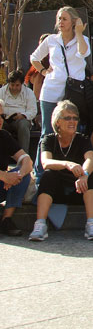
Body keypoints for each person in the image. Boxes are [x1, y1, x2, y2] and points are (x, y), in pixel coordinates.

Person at [28, 100, 93, 242]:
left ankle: (92, 224)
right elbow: (45, 162)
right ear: (57, 122)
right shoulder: (49, 139)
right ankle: (40, 225)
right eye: (67, 118)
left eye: (75, 118)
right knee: (48, 175)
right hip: (56, 190)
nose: (72, 121)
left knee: (91, 175)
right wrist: (67, 164)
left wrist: (84, 175)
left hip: (78, 189)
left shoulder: (82, 139)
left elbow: (91, 159)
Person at [30, 7, 90, 183]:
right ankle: (40, 173)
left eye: (64, 19)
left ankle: (73, 174)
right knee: (47, 132)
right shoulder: (51, 40)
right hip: (51, 91)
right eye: (59, 19)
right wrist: (43, 70)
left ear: (74, 21)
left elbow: (83, 53)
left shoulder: (83, 39)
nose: (60, 22)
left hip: (73, 92)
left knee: (73, 132)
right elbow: (34, 57)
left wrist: (79, 32)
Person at [0, 100, 33, 236]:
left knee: (24, 175)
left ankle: (6, 219)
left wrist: (18, 175)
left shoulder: (4, 136)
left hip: (3, 186)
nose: (0, 120)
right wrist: (3, 176)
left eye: (2, 116)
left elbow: (27, 160)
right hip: (2, 179)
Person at [0, 70, 37, 153]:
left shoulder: (29, 93)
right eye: (12, 85)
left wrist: (23, 115)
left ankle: (24, 155)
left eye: (17, 85)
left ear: (22, 84)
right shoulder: (1, 92)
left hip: (21, 120)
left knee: (23, 125)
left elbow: (33, 111)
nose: (14, 88)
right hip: (4, 120)